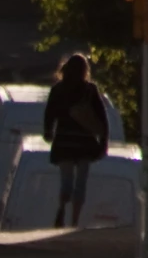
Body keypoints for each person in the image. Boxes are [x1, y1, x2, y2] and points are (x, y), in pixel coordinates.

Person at [43, 52, 110, 228]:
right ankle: (74, 220)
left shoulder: (58, 90)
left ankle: (62, 207)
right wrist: (103, 142)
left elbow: (50, 114)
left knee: (66, 180)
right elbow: (102, 118)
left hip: (64, 142)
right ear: (84, 70)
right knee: (81, 182)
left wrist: (48, 132)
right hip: (85, 144)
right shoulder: (90, 90)